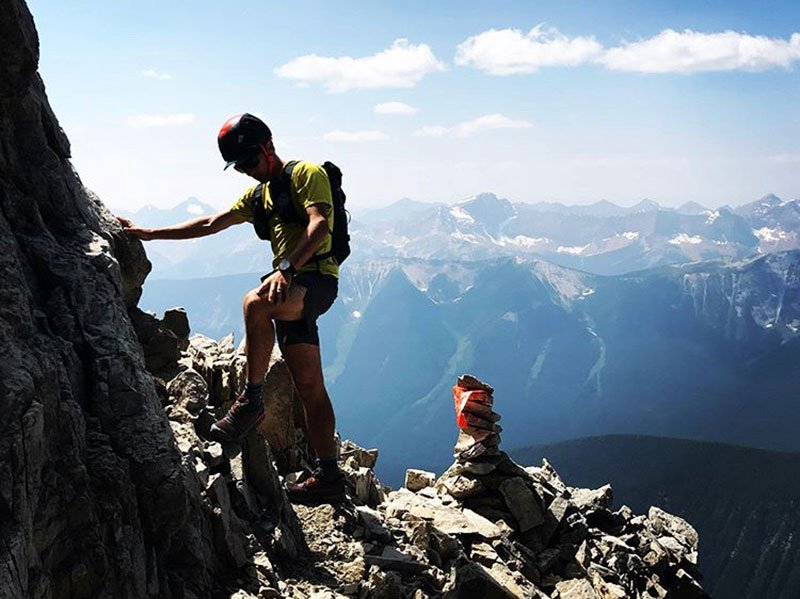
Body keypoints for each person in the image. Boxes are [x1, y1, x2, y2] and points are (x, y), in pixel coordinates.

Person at [118, 113, 344, 503]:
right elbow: (210, 223)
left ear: (267, 147)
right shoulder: (260, 196)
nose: (245, 171)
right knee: (310, 389)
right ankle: (329, 476)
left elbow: (320, 223)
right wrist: (149, 233)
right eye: (238, 166)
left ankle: (251, 400)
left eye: (248, 162)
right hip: (289, 287)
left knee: (254, 303)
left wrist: (286, 269)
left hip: (316, 279)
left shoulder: (307, 173)